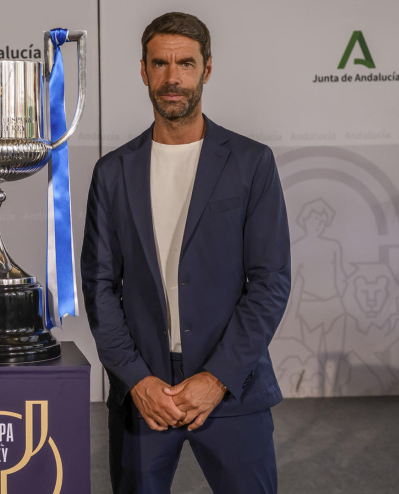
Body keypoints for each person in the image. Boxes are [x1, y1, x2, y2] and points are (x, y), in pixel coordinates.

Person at [81, 12, 290, 494]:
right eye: (160, 63)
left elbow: (270, 281)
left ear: (207, 69)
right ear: (143, 70)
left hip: (233, 385)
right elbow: (99, 287)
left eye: (186, 64)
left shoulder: (251, 163)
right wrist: (136, 379)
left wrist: (217, 378)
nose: (172, 78)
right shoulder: (113, 173)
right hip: (144, 395)